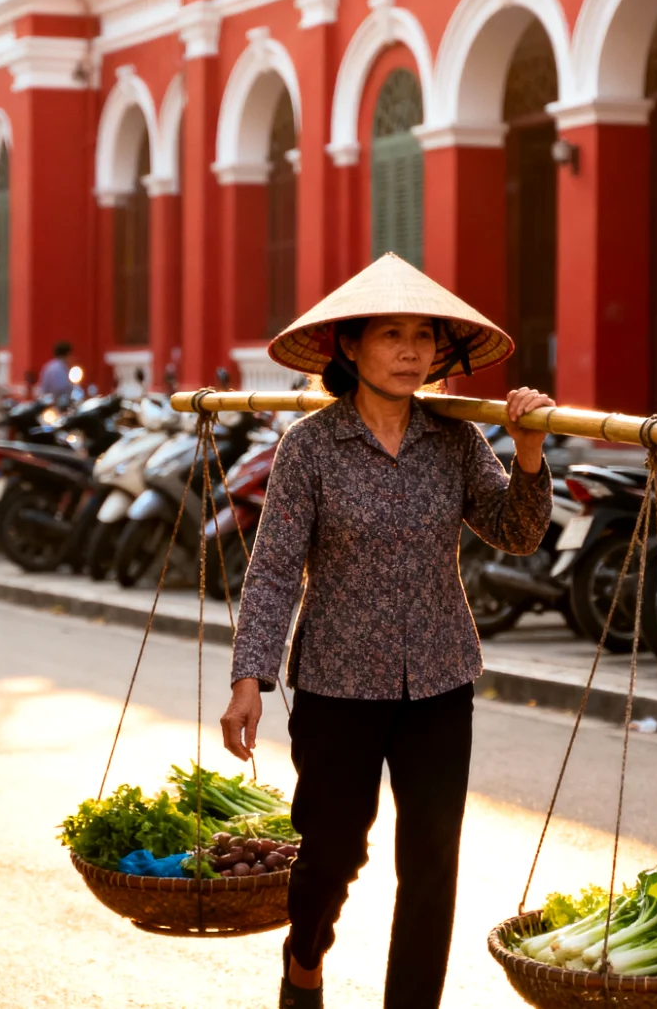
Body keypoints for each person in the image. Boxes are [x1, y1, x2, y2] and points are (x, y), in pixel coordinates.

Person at [219, 253, 555, 1009]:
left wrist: (527, 453)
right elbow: (274, 571)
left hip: (440, 678)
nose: (411, 350)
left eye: (425, 336)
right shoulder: (310, 446)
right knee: (333, 852)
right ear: (350, 347)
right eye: (392, 334)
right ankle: (304, 961)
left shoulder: (455, 441)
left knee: (432, 859)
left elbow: (516, 531)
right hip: (339, 682)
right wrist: (250, 679)